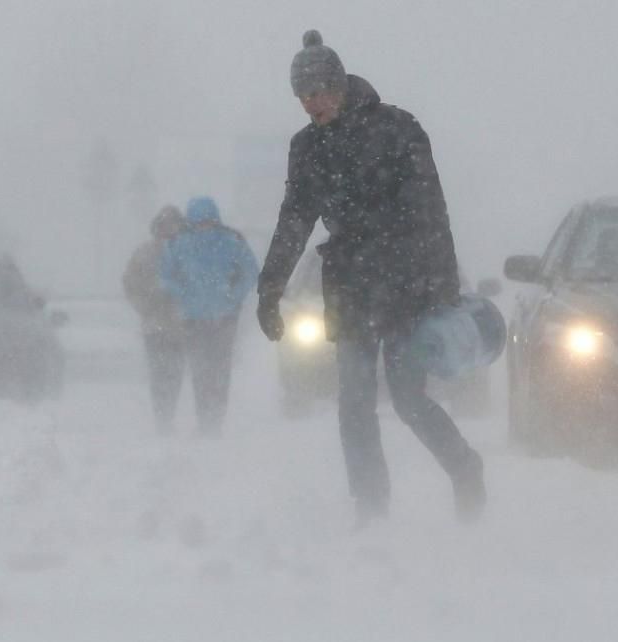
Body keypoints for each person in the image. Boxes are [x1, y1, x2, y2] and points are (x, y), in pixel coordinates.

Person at [255, 30, 486, 527]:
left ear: (338, 85)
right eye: (301, 96)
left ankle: (465, 468)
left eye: (315, 92)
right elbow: (294, 220)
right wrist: (270, 288)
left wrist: (444, 285)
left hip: (407, 283)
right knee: (355, 402)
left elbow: (432, 211)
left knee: (408, 399)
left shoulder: (398, 129)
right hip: (349, 286)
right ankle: (372, 505)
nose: (309, 104)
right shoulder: (307, 148)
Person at [160, 196, 259, 437]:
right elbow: (166, 276)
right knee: (208, 370)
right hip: (207, 317)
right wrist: (230, 297)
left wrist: (232, 296)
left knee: (212, 370)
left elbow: (250, 271)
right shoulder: (225, 242)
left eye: (207, 221)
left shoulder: (187, 244)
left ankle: (212, 420)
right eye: (201, 221)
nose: (205, 226)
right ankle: (209, 420)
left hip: (211, 317)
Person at [123, 205, 186, 434]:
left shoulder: (185, 252)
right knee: (159, 373)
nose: (169, 229)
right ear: (157, 227)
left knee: (175, 373)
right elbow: (129, 284)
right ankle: (163, 418)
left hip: (178, 325)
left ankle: (167, 415)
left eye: (174, 224)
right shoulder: (144, 253)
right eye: (165, 225)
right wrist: (144, 306)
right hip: (155, 324)